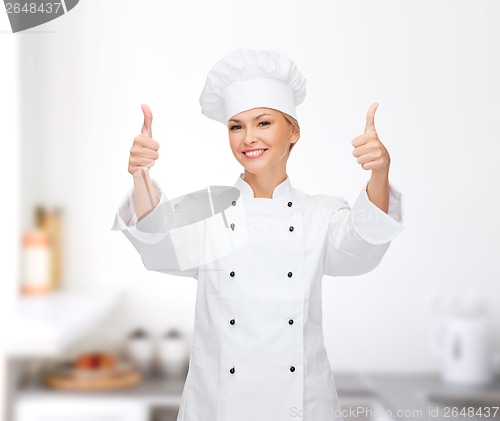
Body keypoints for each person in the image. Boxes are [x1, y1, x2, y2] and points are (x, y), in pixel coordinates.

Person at [111, 48, 404, 421]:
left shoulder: (320, 214)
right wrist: (141, 176)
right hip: (218, 408)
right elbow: (158, 245)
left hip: (303, 406)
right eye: (236, 126)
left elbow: (362, 248)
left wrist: (379, 174)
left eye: (263, 123)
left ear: (293, 131)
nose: (248, 137)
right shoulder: (211, 213)